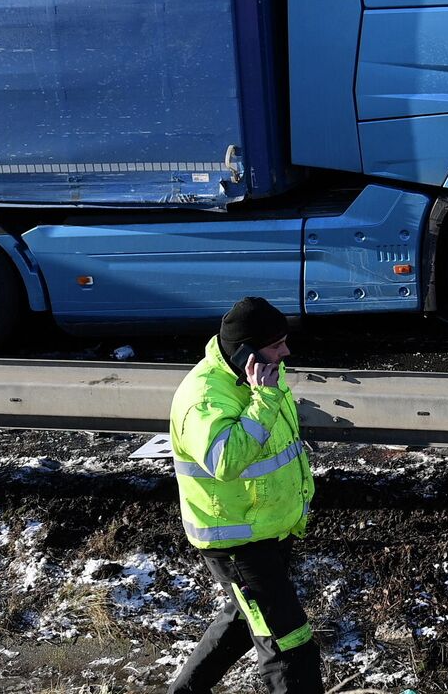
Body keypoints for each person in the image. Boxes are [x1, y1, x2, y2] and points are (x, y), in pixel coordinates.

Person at [166, 297, 321, 694]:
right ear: (244, 352)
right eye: (276, 345)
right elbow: (225, 460)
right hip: (238, 543)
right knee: (290, 644)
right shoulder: (204, 398)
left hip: (267, 529)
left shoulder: (262, 374)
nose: (286, 352)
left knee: (242, 622)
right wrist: (263, 400)